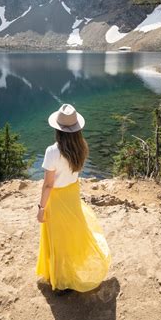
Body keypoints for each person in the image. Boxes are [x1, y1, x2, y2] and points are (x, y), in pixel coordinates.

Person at [35, 103, 111, 295]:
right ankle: (70, 273)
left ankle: (62, 281)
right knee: (71, 235)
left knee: (59, 239)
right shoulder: (81, 147)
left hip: (58, 199)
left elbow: (48, 185)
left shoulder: (53, 151)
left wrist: (41, 207)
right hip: (72, 195)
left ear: (58, 130)